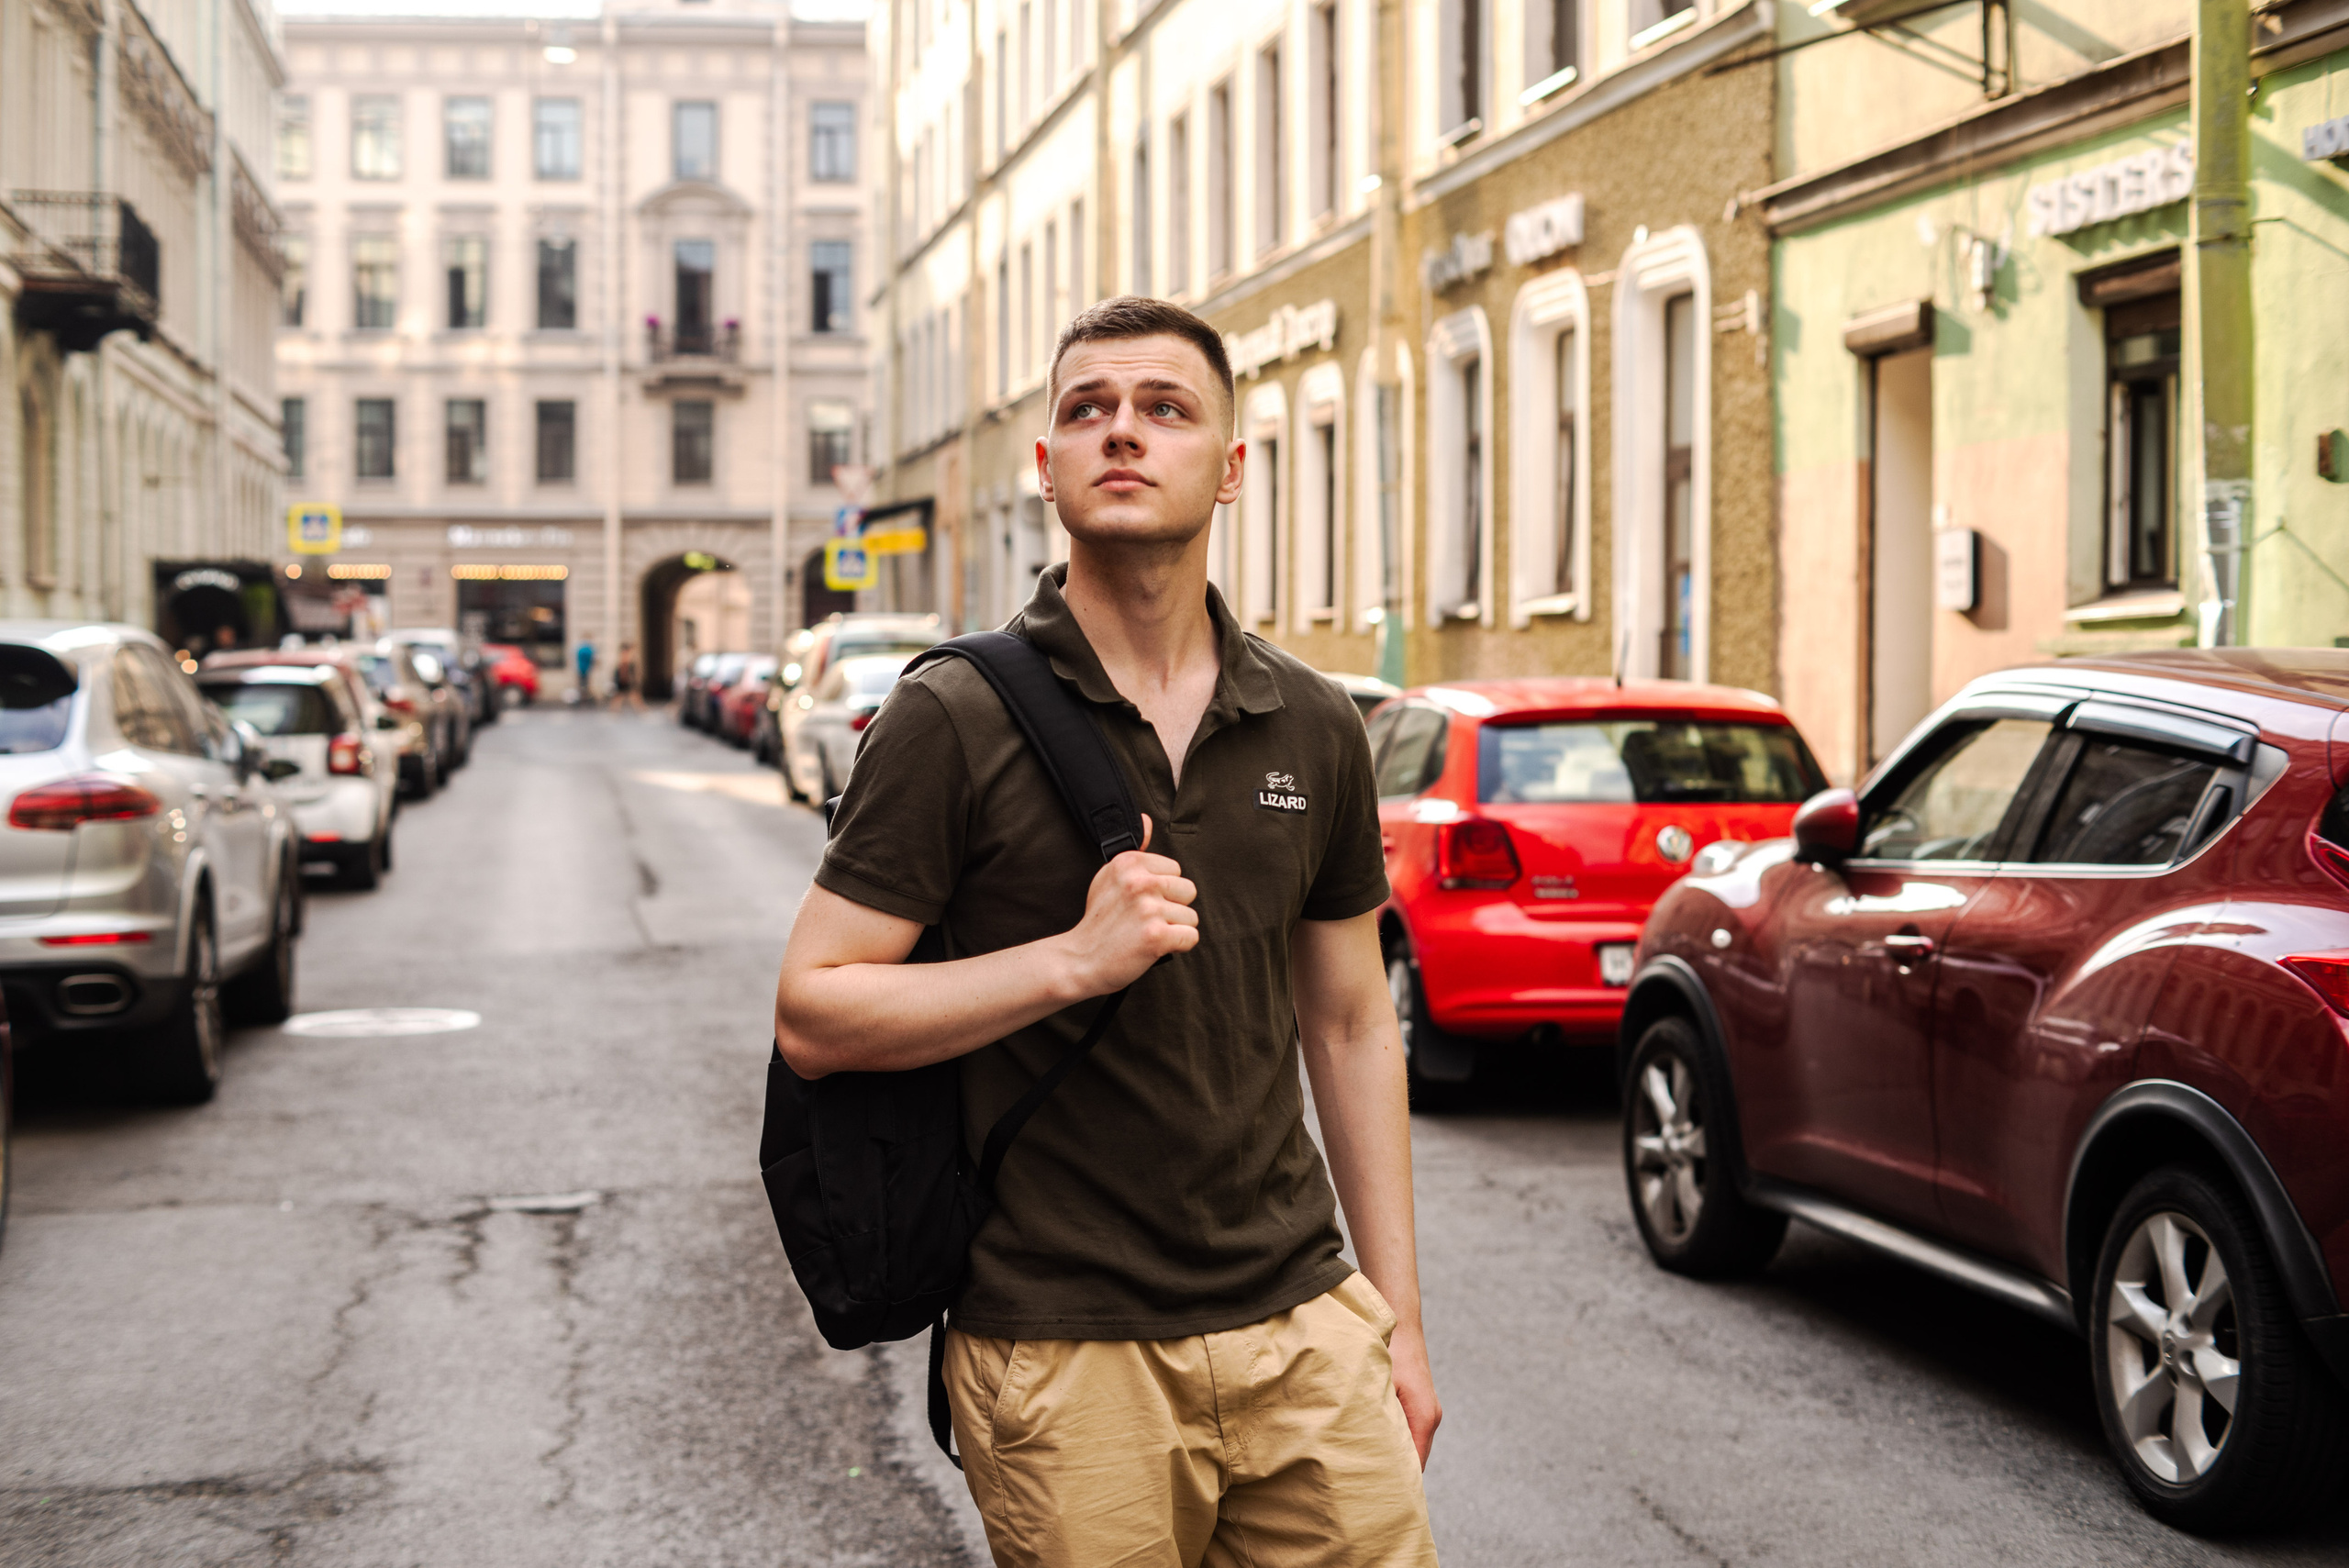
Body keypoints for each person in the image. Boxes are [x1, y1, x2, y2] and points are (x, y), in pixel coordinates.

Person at [774, 296, 1439, 1568]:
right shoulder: (952, 717)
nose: (1122, 433)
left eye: (1165, 409)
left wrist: (1395, 1321)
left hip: (1304, 1327)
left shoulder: (1312, 721)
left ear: (1233, 467)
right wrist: (1071, 962)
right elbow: (816, 1008)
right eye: (1088, 410)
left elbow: (1352, 1023)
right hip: (1063, 1347)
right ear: (1048, 469)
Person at [611, 641, 641, 711]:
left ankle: (614, 711)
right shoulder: (626, 656)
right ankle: (641, 711)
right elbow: (623, 670)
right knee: (632, 696)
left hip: (624, 679)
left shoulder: (626, 655)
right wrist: (625, 679)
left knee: (629, 696)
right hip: (624, 680)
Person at [573, 636, 596, 705]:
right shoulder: (589, 649)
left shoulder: (580, 649)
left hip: (580, 669)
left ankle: (582, 698)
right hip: (586, 670)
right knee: (586, 685)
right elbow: (592, 659)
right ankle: (585, 698)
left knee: (581, 685)